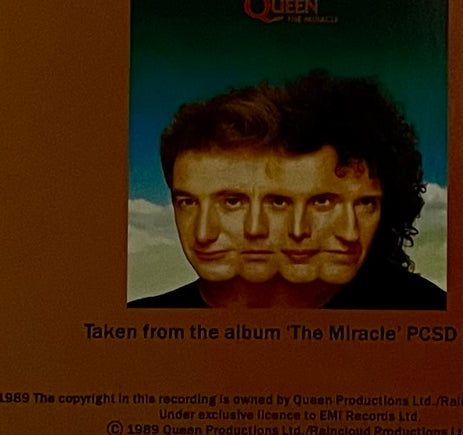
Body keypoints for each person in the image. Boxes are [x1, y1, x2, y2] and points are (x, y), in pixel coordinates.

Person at [131, 70, 445, 309]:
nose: (203, 234)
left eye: (231, 201)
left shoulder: (425, 307)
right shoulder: (143, 319)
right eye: (186, 202)